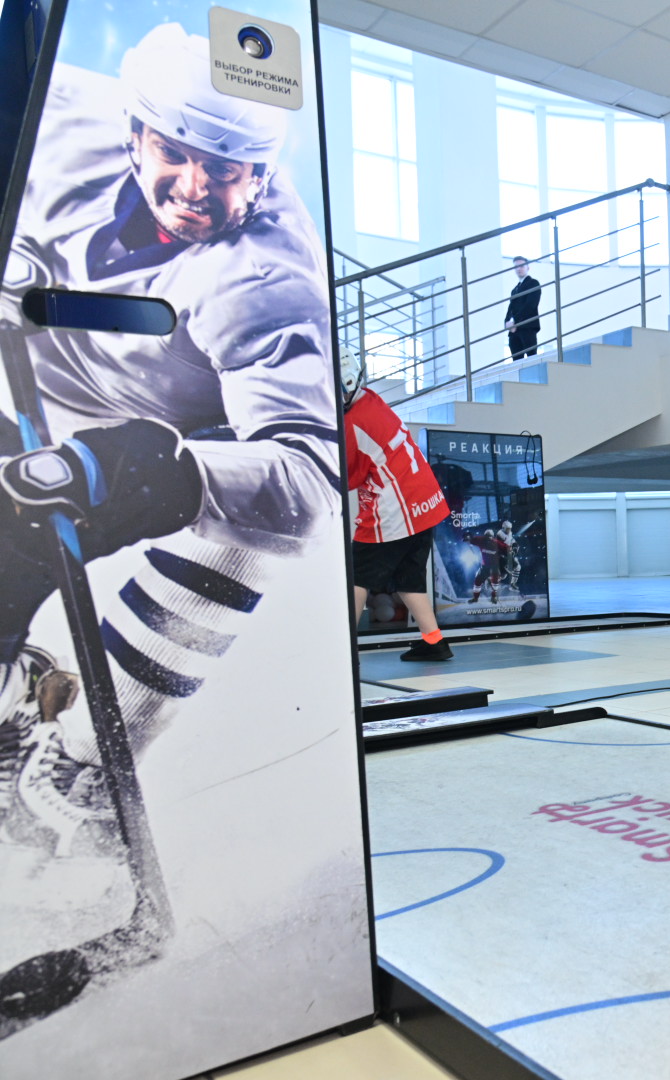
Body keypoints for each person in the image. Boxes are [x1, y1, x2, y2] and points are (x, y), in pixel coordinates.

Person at [0, 23, 342, 854]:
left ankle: (81, 778)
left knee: (251, 526)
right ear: (135, 136)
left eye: (227, 171)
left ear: (259, 172)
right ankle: (19, 692)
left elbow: (309, 475)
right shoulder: (62, 119)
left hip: (159, 434)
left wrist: (177, 477)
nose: (197, 186)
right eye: (177, 155)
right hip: (30, 385)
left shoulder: (267, 281)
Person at [344, 351, 453, 661]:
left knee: (357, 575)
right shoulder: (369, 397)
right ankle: (434, 641)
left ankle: (344, 649)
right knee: (409, 577)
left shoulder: (352, 422)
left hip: (396, 508)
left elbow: (350, 476)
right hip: (424, 499)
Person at [505, 255, 543, 360]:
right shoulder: (515, 289)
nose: (518, 269)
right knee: (516, 361)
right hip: (514, 330)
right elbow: (510, 308)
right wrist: (507, 322)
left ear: (528, 267)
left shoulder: (533, 283)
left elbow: (530, 306)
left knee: (532, 358)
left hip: (527, 327)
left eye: (521, 266)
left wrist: (515, 321)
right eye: (516, 267)